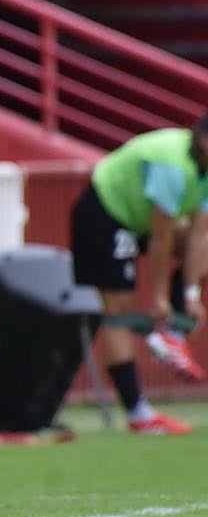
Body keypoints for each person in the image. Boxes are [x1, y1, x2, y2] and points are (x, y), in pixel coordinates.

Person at [69, 120, 208, 434]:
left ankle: (170, 331)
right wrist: (159, 299)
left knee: (201, 246)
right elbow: (162, 238)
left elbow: (199, 237)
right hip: (104, 213)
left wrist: (191, 296)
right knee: (118, 311)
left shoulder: (204, 169)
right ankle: (138, 412)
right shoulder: (172, 164)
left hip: (139, 220)